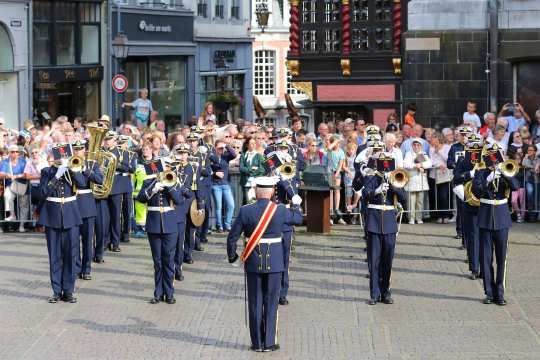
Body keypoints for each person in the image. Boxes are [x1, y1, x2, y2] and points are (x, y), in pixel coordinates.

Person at [226, 176, 303, 352]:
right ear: (272, 192)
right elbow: (298, 219)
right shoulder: (280, 210)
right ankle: (269, 342)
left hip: (253, 260)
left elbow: (232, 237)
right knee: (271, 302)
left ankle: (257, 343)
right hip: (275, 262)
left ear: (256, 191)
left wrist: (232, 256)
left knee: (255, 301)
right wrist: (296, 202)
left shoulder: (246, 210)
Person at [471, 143, 519, 306]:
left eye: (495, 157)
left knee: (501, 258)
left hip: (502, 217)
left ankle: (500, 293)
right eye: (491, 158)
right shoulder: (481, 173)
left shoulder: (506, 170)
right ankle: (489, 292)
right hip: (485, 217)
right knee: (486, 258)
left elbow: (515, 187)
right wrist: (488, 178)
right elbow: (476, 192)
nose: (493, 161)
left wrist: (504, 174)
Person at [38, 144, 86, 303]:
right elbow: (44, 192)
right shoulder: (47, 171)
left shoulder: (73, 169)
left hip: (71, 216)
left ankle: (69, 291)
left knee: (70, 255)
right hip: (52, 217)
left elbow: (82, 184)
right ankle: (56, 291)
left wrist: (72, 169)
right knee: (55, 255)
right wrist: (57, 175)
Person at [362, 153, 406, 305]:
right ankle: (374, 294)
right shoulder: (371, 177)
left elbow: (404, 198)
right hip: (374, 222)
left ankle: (386, 292)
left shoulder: (396, 178)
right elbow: (365, 195)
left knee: (388, 261)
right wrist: (377, 189)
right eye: (383, 162)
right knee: (374, 261)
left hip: (389, 223)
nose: (386, 165)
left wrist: (393, 184)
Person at [136, 162, 183, 304]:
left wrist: (169, 188)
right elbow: (140, 198)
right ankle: (158, 292)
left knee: (168, 260)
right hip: (154, 224)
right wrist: (153, 189)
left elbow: (179, 200)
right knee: (157, 261)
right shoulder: (148, 181)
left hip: (170, 225)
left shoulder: (174, 180)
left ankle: (169, 293)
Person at [72, 140, 104, 281]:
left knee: (87, 240)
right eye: (75, 149)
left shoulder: (92, 164)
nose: (77, 151)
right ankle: (76, 267)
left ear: (84, 150)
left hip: (87, 205)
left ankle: (86, 269)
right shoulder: (69, 164)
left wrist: (85, 169)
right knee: (73, 241)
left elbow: (99, 179)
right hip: (72, 205)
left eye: (79, 149)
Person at [453, 133, 483, 280]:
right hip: (470, 203)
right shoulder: (463, 160)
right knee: (473, 236)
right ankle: (474, 268)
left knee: (485, 238)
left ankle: (484, 268)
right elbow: (456, 178)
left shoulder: (486, 160)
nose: (475, 149)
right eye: (472, 146)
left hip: (485, 204)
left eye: (477, 145)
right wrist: (470, 173)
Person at [172, 144, 194, 282]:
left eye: (184, 153)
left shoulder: (190, 168)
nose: (182, 156)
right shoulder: (172, 166)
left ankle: (178, 268)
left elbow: (187, 189)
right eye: (180, 153)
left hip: (181, 207)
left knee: (180, 241)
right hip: (169, 209)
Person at [210, 140, 236, 232]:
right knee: (218, 206)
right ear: (215, 148)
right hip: (216, 184)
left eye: (222, 148)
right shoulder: (211, 157)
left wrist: (226, 145)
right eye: (219, 148)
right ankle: (219, 225)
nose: (221, 149)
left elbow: (234, 155)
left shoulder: (226, 156)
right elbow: (207, 170)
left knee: (231, 205)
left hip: (226, 184)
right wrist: (215, 173)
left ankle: (227, 224)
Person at [0, 144, 28, 231]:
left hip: (22, 185)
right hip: (10, 185)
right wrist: (7, 175)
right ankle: (12, 215)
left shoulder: (23, 161)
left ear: (19, 153)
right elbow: (1, 174)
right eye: (12, 152)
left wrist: (17, 176)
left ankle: (22, 225)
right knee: (7, 195)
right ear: (9, 153)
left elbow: (27, 173)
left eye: (16, 152)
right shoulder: (5, 162)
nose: (15, 153)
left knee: (24, 204)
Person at [404, 139, 432, 224]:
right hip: (412, 179)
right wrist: (415, 166)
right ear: (412, 146)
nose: (416, 147)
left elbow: (430, 163)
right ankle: (411, 218)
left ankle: (419, 218)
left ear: (421, 146)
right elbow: (405, 164)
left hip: (421, 181)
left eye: (418, 145)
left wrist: (421, 165)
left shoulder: (423, 153)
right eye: (415, 145)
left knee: (420, 201)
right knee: (411, 202)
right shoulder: (409, 153)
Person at [239, 137, 265, 204]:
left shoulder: (258, 155)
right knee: (248, 201)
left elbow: (262, 169)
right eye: (251, 143)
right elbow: (241, 168)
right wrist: (251, 169)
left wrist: (252, 173)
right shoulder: (243, 155)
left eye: (254, 143)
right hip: (246, 181)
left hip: (256, 182)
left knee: (256, 201)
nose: (253, 145)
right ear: (247, 145)